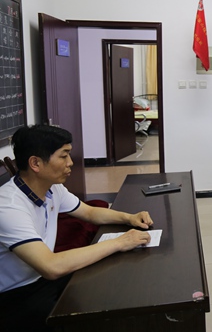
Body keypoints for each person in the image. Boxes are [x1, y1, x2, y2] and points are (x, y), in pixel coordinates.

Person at [0, 125, 154, 331]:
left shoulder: (52, 188)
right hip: (16, 296)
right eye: (64, 156)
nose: (70, 163)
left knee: (108, 286)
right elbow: (51, 267)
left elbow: (89, 212)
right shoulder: (8, 206)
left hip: (41, 280)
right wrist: (119, 242)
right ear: (35, 163)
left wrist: (129, 218)